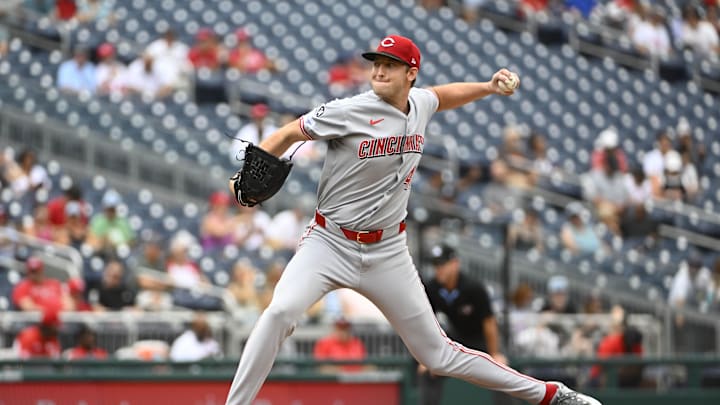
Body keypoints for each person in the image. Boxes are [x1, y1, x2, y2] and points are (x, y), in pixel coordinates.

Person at [224, 35, 601, 405]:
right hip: (329, 242)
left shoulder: (419, 103)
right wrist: (246, 175)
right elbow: (291, 131)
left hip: (387, 250)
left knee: (437, 355)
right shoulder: (349, 109)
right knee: (279, 312)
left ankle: (551, 394)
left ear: (411, 74)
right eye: (377, 64)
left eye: (390, 65)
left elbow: (443, 95)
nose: (380, 71)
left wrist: (487, 87)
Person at [419, 244, 507, 405]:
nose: (439, 269)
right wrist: (426, 358)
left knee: (501, 371)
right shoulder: (432, 288)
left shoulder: (473, 287)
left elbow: (489, 322)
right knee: (428, 371)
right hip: (457, 337)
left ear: (455, 264)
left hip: (480, 339)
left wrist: (495, 353)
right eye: (435, 265)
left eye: (442, 264)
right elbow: (425, 323)